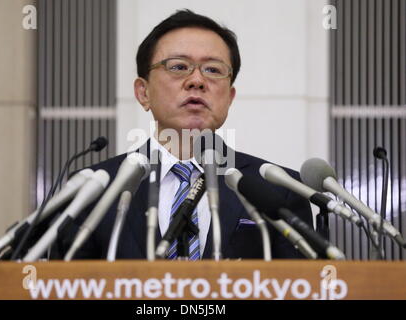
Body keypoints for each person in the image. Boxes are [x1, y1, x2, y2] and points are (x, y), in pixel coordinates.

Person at [54, 9, 313, 260]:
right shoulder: (93, 189)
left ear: (230, 97)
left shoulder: (279, 189)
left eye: (212, 69)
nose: (197, 81)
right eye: (178, 67)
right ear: (143, 93)